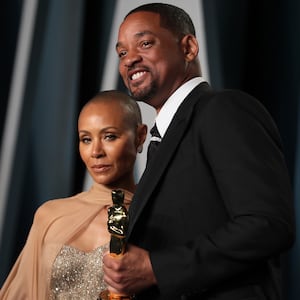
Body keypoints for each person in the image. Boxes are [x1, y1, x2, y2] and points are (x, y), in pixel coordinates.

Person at [102, 3, 295, 300]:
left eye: (144, 43)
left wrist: (157, 268)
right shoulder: (161, 141)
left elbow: (268, 224)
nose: (129, 60)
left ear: (189, 47)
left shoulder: (224, 110)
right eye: (122, 53)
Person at [0, 90, 147, 299]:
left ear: (140, 136)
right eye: (86, 139)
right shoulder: (50, 216)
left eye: (109, 136)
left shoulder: (153, 217)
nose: (96, 151)